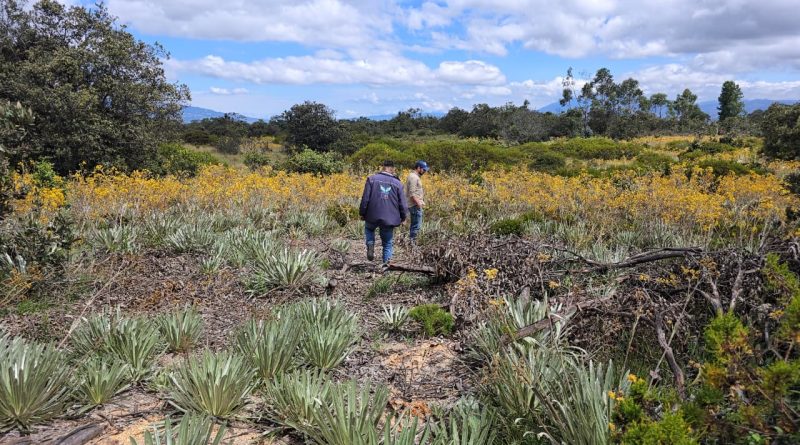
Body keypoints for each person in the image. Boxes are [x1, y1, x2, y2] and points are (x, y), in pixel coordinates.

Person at [359, 160, 408, 267]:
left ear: (383, 168)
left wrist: (362, 212)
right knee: (387, 243)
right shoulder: (398, 184)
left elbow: (365, 199)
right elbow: (402, 204)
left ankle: (371, 244)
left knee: (369, 229)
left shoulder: (371, 179)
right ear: (393, 169)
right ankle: (386, 266)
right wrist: (404, 217)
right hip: (389, 218)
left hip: (372, 215)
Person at [405, 160, 429, 243]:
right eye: (424, 169)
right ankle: (413, 244)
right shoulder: (413, 177)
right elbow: (412, 194)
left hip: (415, 205)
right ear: (418, 168)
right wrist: (419, 203)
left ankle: (412, 244)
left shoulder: (413, 176)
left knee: (414, 226)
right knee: (416, 226)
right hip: (414, 205)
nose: (425, 171)